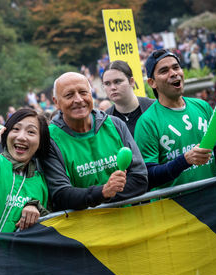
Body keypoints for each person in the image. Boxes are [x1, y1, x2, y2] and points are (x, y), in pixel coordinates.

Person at [134, 49, 216, 190]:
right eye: (164, 71)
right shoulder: (147, 122)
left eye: (176, 67)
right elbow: (148, 177)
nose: (174, 73)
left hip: (212, 200)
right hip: (175, 209)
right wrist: (184, 161)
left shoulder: (203, 107)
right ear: (152, 82)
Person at [41, 72, 148, 211]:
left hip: (129, 223)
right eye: (69, 95)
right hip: (84, 230)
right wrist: (102, 192)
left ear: (91, 94)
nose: (78, 99)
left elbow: (140, 179)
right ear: (56, 102)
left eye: (83, 92)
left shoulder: (115, 125)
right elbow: (61, 195)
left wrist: (105, 195)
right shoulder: (50, 140)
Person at [102, 60, 155, 136]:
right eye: (107, 83)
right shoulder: (105, 121)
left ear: (132, 82)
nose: (112, 87)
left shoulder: (154, 108)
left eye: (117, 81)